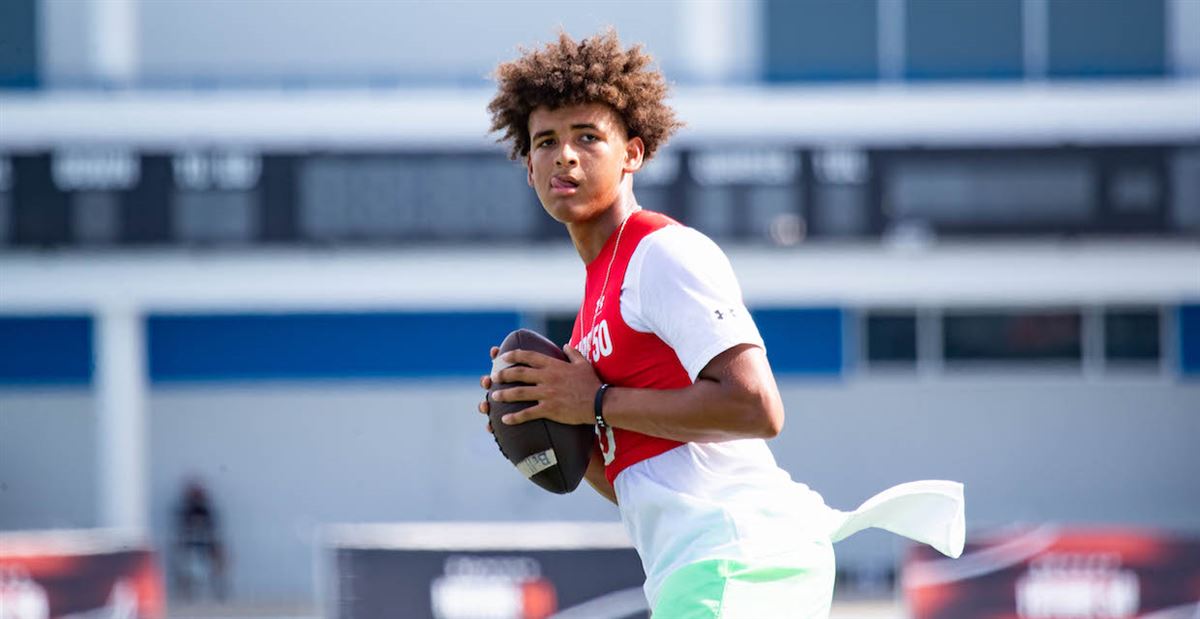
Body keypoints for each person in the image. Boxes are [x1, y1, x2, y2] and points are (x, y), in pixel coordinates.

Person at [478, 30, 964, 618]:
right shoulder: (589, 317)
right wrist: (545, 420)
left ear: (633, 153)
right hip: (707, 566)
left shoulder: (662, 253)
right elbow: (639, 479)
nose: (566, 156)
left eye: (588, 136)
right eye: (546, 142)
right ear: (529, 169)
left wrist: (596, 402)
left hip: (740, 556)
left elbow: (756, 408)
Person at [171, 479, 228, 603]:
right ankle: (186, 590)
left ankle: (218, 588)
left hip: (206, 543)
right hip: (189, 544)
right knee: (182, 562)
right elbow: (181, 531)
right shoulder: (186, 511)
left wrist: (216, 547)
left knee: (219, 559)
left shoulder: (207, 510)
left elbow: (213, 530)